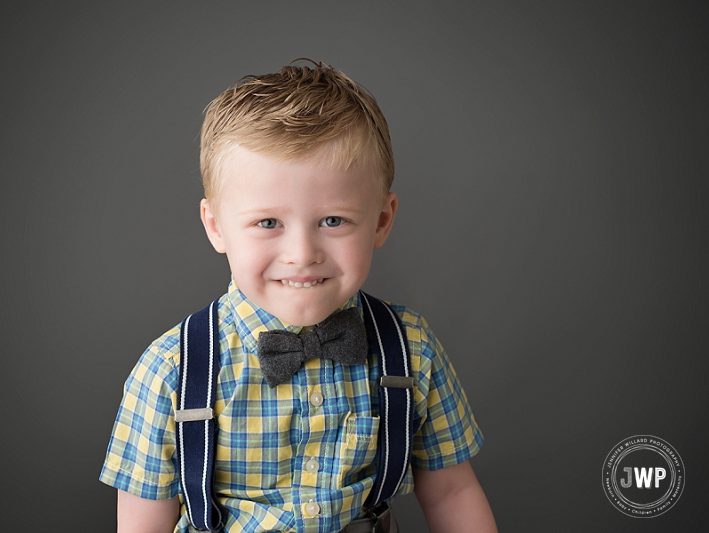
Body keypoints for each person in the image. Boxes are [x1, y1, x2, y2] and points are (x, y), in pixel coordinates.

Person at [100, 60, 497, 533]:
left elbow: (453, 492)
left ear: (382, 221)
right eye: (268, 223)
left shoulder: (409, 348)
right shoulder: (172, 371)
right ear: (216, 227)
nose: (302, 254)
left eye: (333, 221)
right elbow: (142, 525)